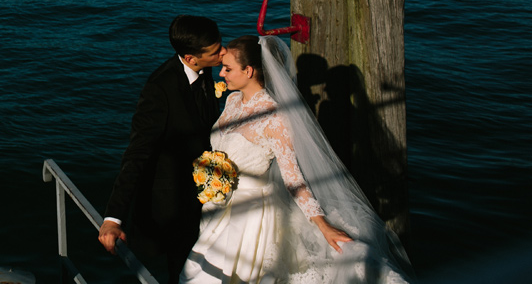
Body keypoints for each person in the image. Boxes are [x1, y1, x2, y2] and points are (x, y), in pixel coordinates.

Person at [180, 35, 413, 284]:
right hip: (219, 207)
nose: (221, 75)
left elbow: (293, 178)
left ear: (248, 71)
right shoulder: (232, 101)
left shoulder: (275, 118)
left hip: (250, 217)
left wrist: (323, 225)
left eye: (227, 69)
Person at [99, 15, 225, 283]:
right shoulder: (159, 90)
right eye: (215, 52)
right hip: (175, 205)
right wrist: (113, 218)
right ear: (191, 58)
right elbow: (137, 154)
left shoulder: (207, 68)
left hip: (208, 191)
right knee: (181, 274)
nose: (222, 53)